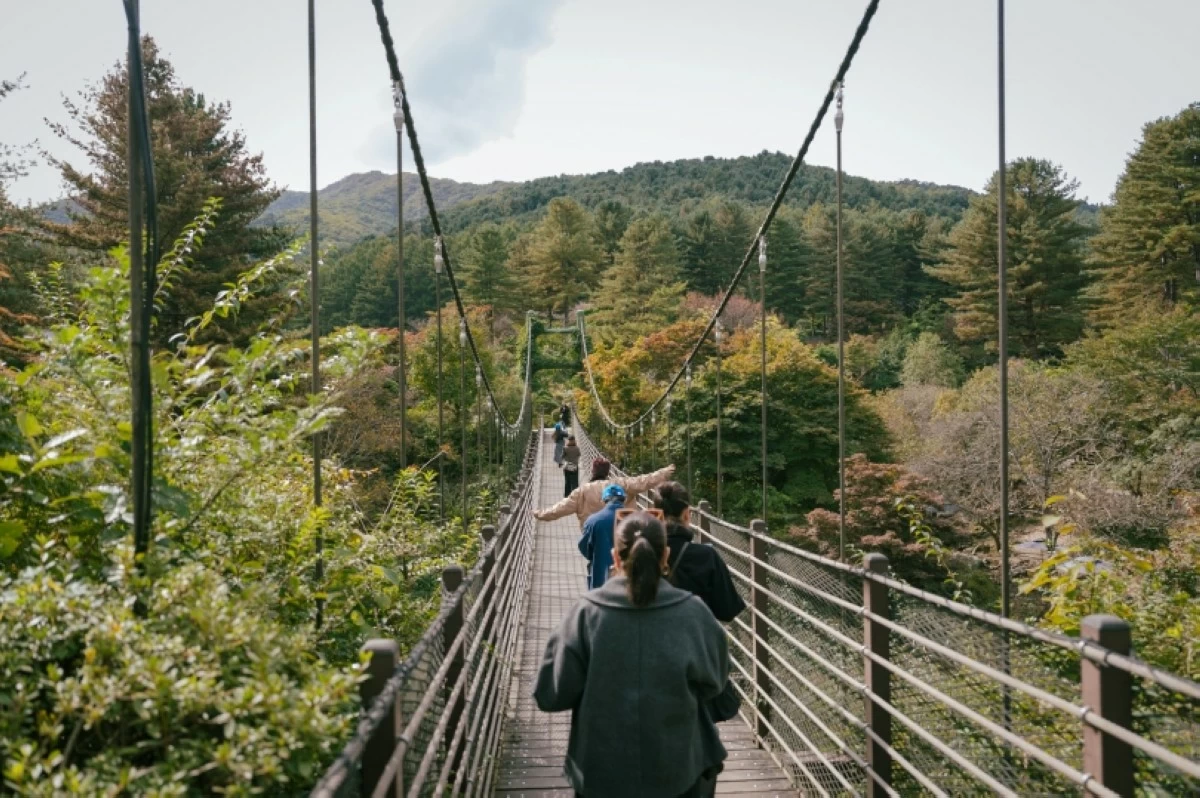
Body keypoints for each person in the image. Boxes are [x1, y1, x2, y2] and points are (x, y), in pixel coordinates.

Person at [535, 512, 729, 798]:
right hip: (678, 769)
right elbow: (714, 682)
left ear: (615, 557)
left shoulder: (585, 615)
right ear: (665, 555)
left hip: (601, 772)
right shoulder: (694, 613)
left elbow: (551, 695)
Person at [655, 481, 745, 724]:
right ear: (687, 514)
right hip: (697, 661)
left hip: (649, 660)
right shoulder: (705, 556)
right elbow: (728, 610)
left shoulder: (638, 554)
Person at [534, 458, 675, 528]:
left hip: (593, 538)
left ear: (592, 471)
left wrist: (540, 514)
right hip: (621, 534)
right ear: (608, 472)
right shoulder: (621, 484)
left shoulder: (582, 491)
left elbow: (560, 508)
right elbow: (645, 481)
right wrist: (665, 472)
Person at [577, 484, 626, 589]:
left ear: (604, 500)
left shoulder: (593, 521)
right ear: (623, 499)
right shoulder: (637, 520)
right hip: (628, 580)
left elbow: (584, 547)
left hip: (600, 579)